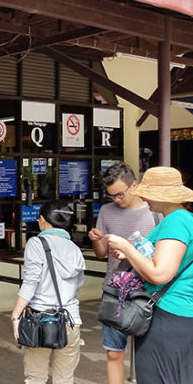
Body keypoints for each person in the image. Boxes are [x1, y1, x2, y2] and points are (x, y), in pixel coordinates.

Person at [105, 166, 193, 383]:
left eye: (148, 192)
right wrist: (132, 256)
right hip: (179, 314)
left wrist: (126, 247)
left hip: (167, 313)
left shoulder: (175, 221)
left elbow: (160, 273)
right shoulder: (184, 219)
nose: (144, 198)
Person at [87, 162, 158, 384]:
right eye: (112, 196)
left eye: (120, 194)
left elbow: (164, 255)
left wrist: (131, 254)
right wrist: (97, 240)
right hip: (115, 291)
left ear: (134, 185)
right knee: (114, 352)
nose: (117, 200)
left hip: (150, 291)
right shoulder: (107, 212)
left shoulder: (154, 212)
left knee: (150, 354)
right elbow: (101, 254)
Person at [10, 201, 85, 384]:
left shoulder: (36, 244)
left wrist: (15, 315)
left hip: (40, 321)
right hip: (70, 320)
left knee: (36, 377)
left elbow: (30, 283)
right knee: (65, 379)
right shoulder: (75, 249)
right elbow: (77, 285)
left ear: (42, 220)